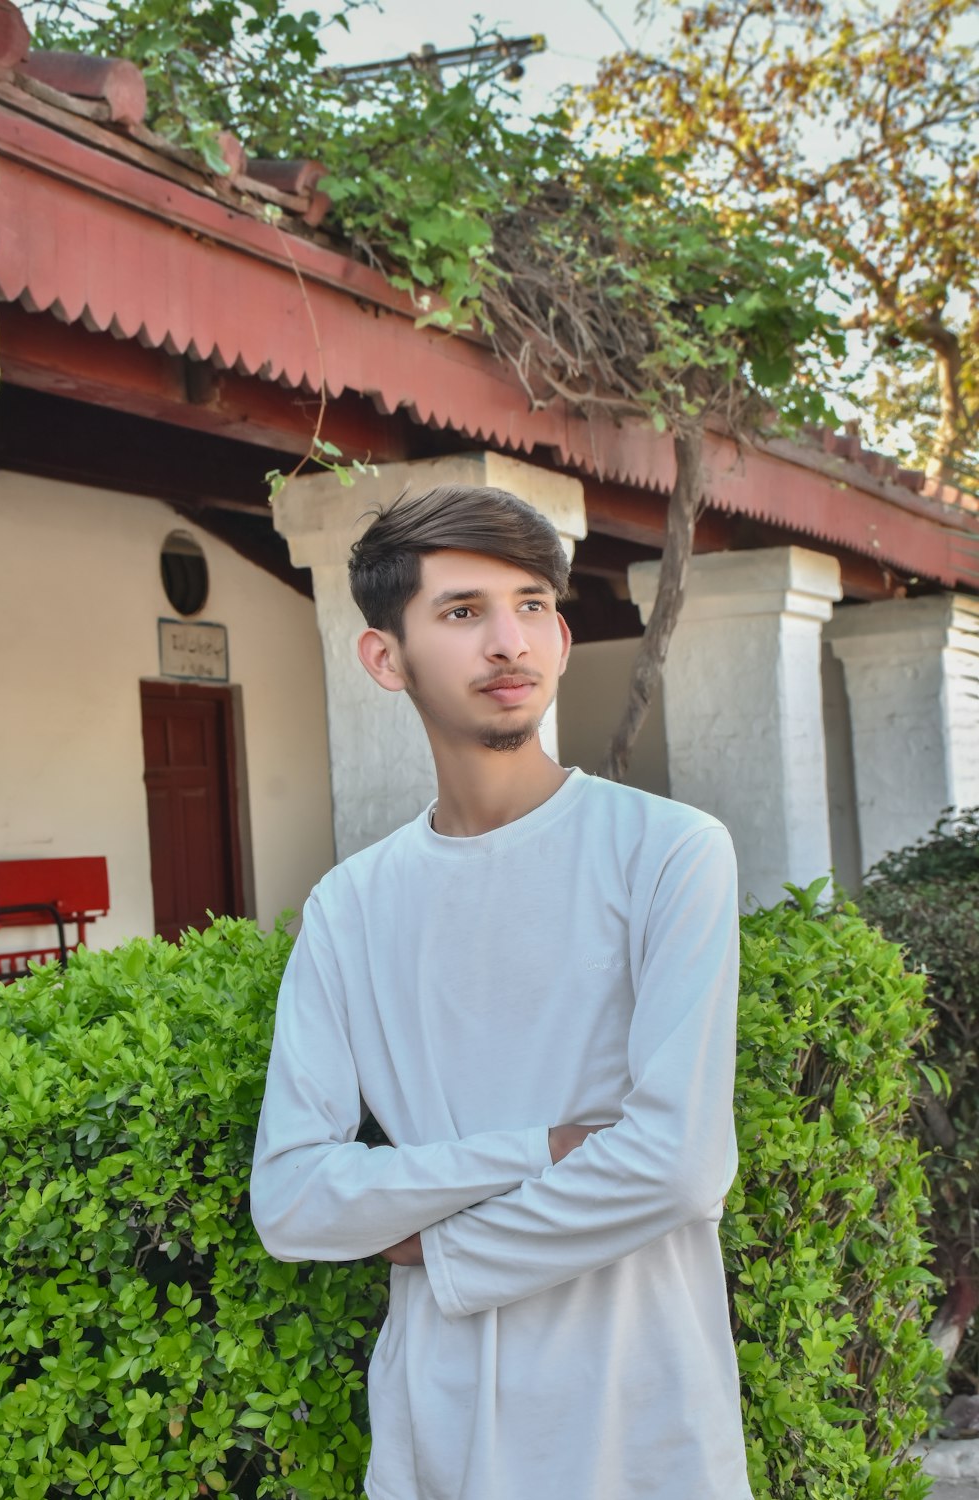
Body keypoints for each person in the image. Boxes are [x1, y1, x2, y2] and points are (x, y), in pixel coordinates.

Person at [250, 483, 753, 1500]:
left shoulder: (666, 853)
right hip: (442, 1421)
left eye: (530, 606)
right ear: (384, 659)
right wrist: (537, 1150)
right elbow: (292, 1199)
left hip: (641, 1408)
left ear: (563, 641)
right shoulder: (350, 908)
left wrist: (434, 1247)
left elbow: (678, 1167)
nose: (507, 642)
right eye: (462, 611)